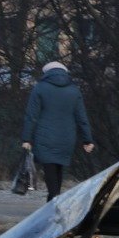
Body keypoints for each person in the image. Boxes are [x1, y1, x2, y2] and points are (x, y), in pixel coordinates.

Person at [20, 61, 94, 201]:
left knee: (49, 167)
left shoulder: (40, 88)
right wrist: (87, 140)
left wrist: (26, 139)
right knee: (59, 166)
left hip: (45, 136)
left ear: (47, 73)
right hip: (67, 137)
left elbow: (31, 116)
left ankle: (53, 198)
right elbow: (81, 117)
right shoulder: (74, 90)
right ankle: (55, 197)